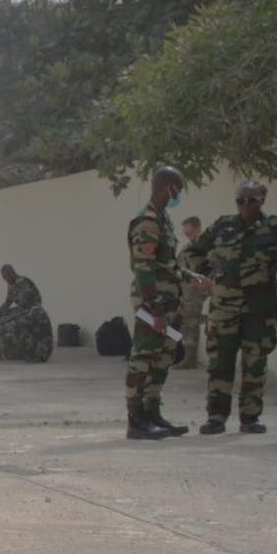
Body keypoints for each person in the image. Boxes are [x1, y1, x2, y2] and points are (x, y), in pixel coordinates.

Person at [180, 181, 277, 435]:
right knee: (220, 361)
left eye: (251, 200)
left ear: (262, 199)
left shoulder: (276, 227)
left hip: (260, 305)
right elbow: (193, 253)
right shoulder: (222, 225)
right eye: (240, 201)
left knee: (255, 362)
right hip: (224, 305)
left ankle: (250, 418)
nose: (245, 206)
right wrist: (208, 273)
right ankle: (216, 417)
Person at [124, 167, 189, 440]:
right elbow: (144, 269)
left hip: (170, 302)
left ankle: (152, 412)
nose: (179, 195)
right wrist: (156, 309)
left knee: (164, 358)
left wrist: (190, 275)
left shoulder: (164, 220)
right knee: (143, 358)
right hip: (154, 305)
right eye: (179, 190)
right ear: (169, 187)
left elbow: (166, 263)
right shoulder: (148, 222)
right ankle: (136, 419)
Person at [0, 265, 52, 364]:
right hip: (33, 343)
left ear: (11, 273)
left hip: (41, 351)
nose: (5, 280)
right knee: (5, 324)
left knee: (15, 331)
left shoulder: (36, 310)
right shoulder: (13, 288)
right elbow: (7, 303)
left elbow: (16, 324)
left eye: (6, 276)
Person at [176, 216, 209, 369]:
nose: (185, 233)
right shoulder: (188, 247)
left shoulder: (203, 246)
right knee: (187, 323)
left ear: (196, 228)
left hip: (196, 291)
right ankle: (188, 356)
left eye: (187, 230)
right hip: (186, 291)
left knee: (191, 323)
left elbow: (203, 269)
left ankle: (190, 358)